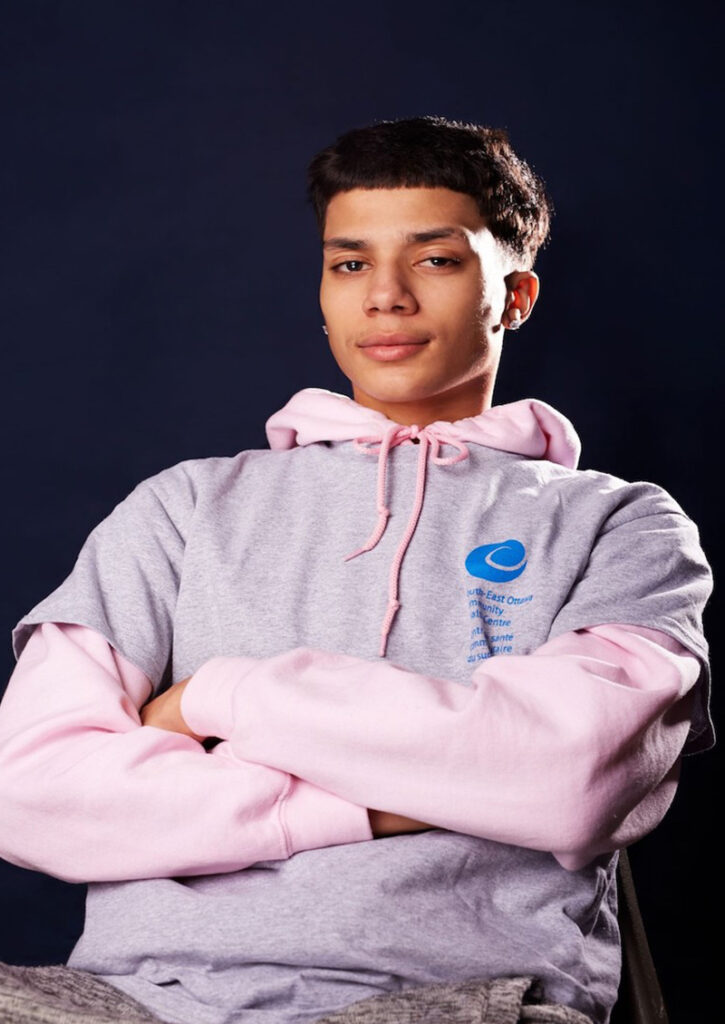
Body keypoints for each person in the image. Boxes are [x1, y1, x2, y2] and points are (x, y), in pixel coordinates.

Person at [0, 116, 714, 1024]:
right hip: (132, 999)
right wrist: (416, 788)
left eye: (435, 260)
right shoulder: (181, 508)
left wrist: (223, 698)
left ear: (515, 295)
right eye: (349, 264)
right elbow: (29, 792)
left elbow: (573, 779)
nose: (384, 296)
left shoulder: (620, 523)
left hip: (464, 1001)